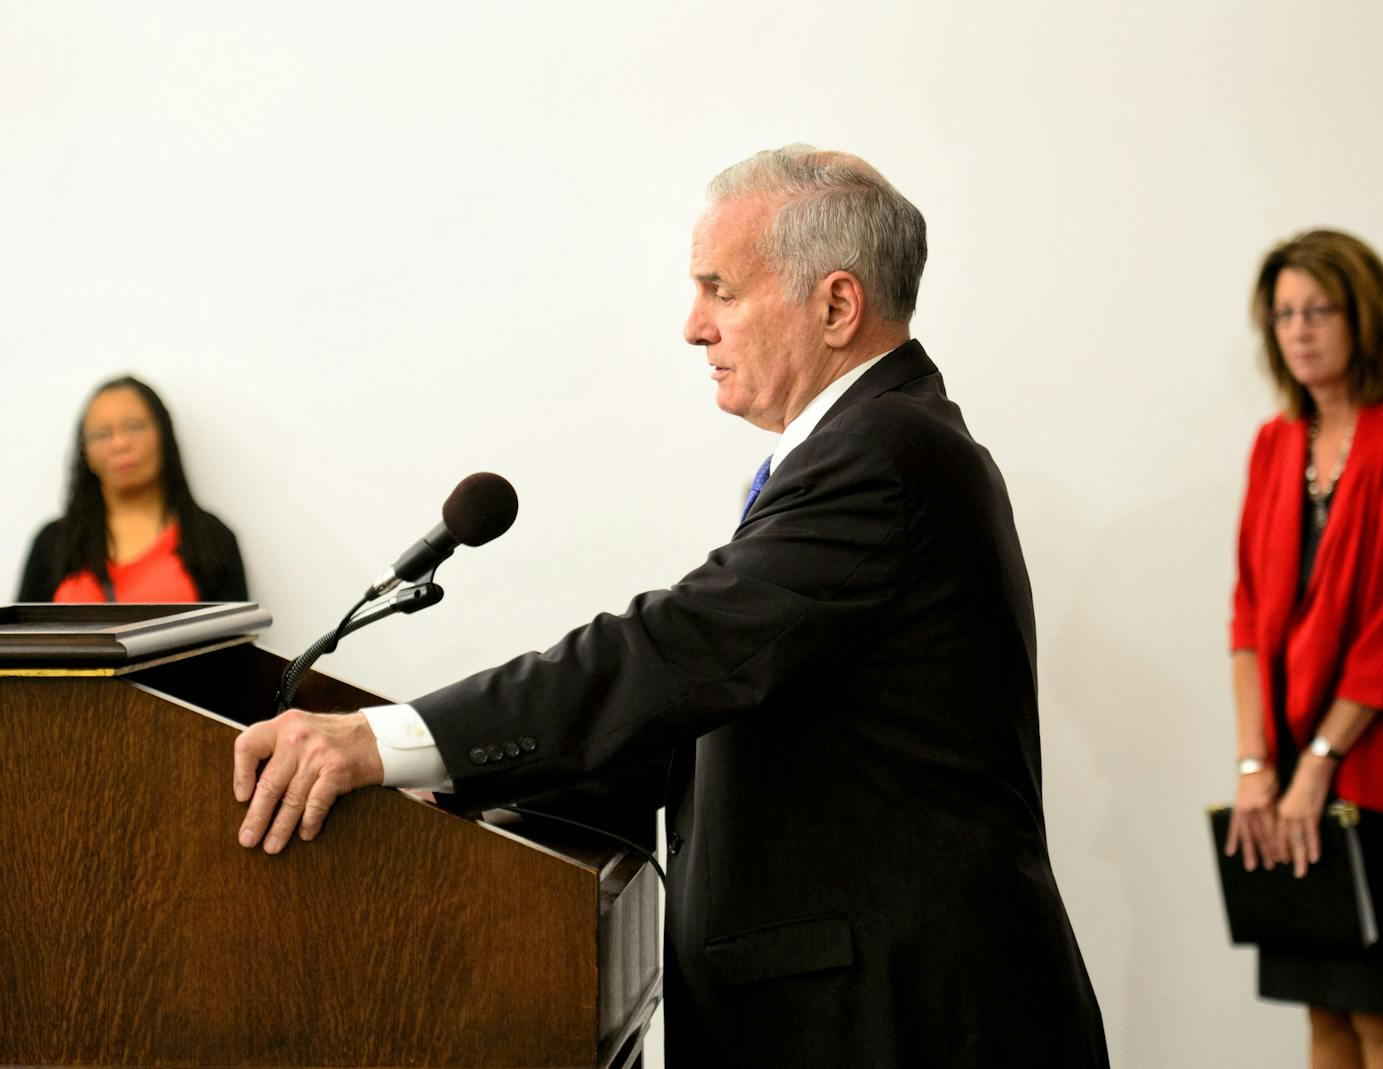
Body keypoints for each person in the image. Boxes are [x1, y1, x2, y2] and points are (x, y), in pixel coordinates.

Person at [231, 146, 1109, 1066]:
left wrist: (385, 740)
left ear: (837, 306)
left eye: (720, 290)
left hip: (906, 1023)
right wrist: (448, 785)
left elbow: (677, 652)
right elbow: (700, 711)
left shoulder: (886, 455)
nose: (694, 328)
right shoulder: (864, 448)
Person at [1226, 229, 1383, 1066]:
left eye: (1319, 310)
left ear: (1363, 318)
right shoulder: (1276, 444)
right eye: (1283, 314)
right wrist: (1254, 768)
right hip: (1289, 786)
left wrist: (1315, 764)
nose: (1299, 330)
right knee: (1325, 1017)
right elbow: (1246, 615)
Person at [17, 375, 248, 603]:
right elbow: (19, 638)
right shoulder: (53, 543)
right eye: (102, 434)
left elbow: (237, 638)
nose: (120, 443)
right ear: (85, 451)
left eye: (134, 427)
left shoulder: (213, 539)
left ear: (163, 435)